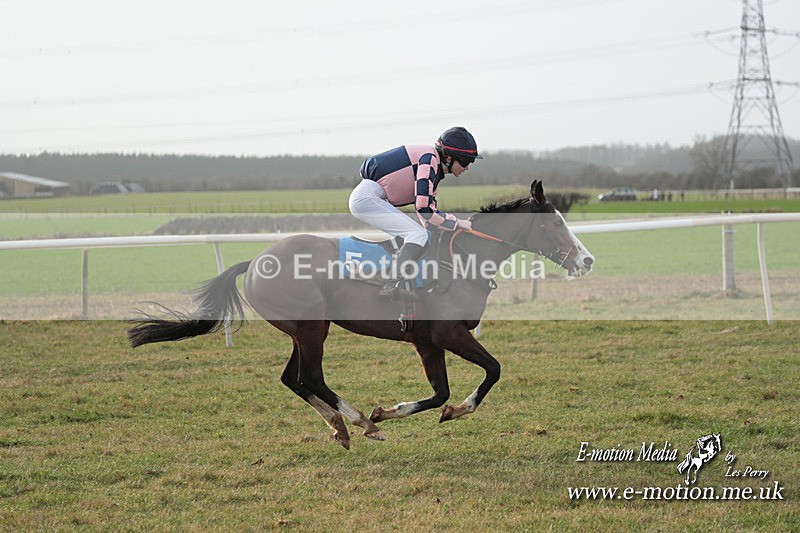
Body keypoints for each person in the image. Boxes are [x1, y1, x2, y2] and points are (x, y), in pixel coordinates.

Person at [349, 126, 482, 299]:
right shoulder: (429, 160)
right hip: (366, 198)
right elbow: (424, 209)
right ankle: (389, 285)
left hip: (371, 197)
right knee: (417, 235)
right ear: (449, 158)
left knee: (420, 234)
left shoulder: (434, 169)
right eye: (465, 162)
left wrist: (447, 229)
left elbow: (428, 220)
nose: (467, 168)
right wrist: (457, 223)